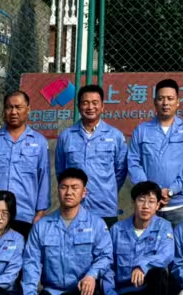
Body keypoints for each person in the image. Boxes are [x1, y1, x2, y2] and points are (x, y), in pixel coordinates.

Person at [21, 167, 113, 295]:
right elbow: (31, 265)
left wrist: (92, 275)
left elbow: (105, 256)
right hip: (54, 292)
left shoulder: (96, 224)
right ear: (58, 190)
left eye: (74, 187)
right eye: (64, 187)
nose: (69, 192)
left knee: (89, 294)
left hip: (81, 291)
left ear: (84, 192)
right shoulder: (42, 226)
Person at [102, 181, 179, 295]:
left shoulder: (163, 227)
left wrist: (143, 266)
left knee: (159, 273)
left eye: (151, 201)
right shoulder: (117, 230)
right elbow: (107, 266)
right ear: (133, 202)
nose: (145, 206)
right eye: (141, 200)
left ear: (158, 205)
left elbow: (167, 254)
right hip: (124, 294)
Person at [0, 90, 51, 238]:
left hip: (24, 215)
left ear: (28, 109)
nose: (13, 112)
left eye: (18, 107)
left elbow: (44, 179)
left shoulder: (39, 142)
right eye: (9, 107)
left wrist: (40, 213)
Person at [127, 79, 183, 225]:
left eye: (170, 98)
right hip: (149, 207)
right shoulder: (142, 130)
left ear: (178, 102)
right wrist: (150, 192)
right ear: (155, 102)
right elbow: (133, 162)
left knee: (182, 240)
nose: (165, 103)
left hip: (179, 206)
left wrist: (173, 190)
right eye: (161, 98)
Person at [55, 84, 129, 224]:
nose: (90, 107)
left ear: (102, 106)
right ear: (78, 106)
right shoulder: (66, 136)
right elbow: (61, 171)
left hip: (105, 207)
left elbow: (120, 171)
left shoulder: (115, 136)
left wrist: (107, 189)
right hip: (74, 208)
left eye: (95, 103)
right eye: (85, 103)